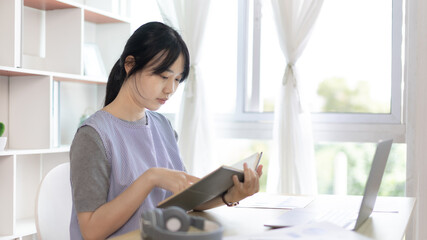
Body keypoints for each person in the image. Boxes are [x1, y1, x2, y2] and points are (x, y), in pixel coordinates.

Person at [69, 21, 263, 240]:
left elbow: (184, 202)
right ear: (130, 65)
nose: (170, 89)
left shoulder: (163, 126)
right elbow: (91, 231)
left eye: (177, 80)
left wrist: (231, 194)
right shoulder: (93, 136)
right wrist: (150, 178)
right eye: (163, 76)